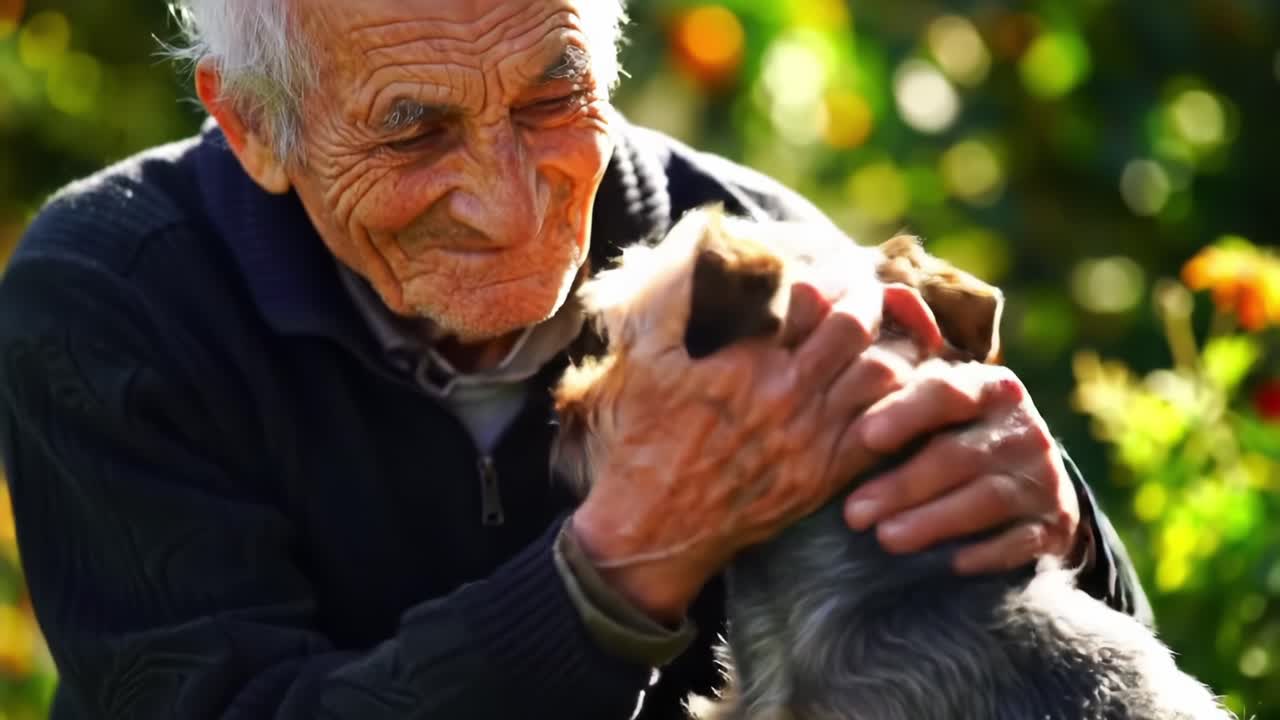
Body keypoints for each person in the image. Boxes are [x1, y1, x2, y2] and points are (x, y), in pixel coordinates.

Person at [0, 1, 1151, 718]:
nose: (509, 204)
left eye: (554, 99)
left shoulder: (766, 263)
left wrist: (1057, 534)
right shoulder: (116, 300)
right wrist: (615, 570)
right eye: (413, 129)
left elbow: (1110, 667)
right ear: (252, 126)